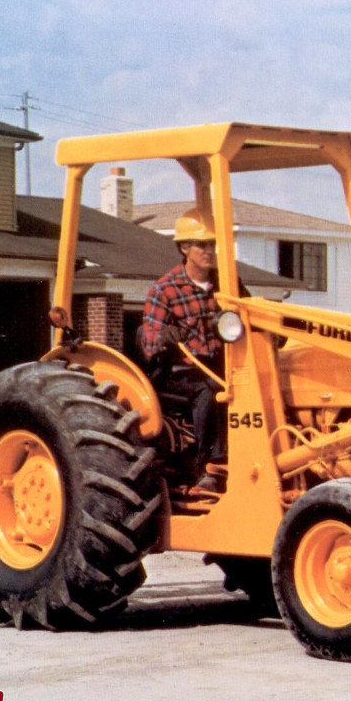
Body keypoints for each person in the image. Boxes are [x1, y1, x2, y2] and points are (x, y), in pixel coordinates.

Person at [141, 208, 228, 490]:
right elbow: (149, 343)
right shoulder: (164, 289)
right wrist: (165, 337)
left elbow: (249, 316)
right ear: (184, 247)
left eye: (213, 244)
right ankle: (209, 468)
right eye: (202, 244)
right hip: (177, 372)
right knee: (210, 391)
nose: (209, 251)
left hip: (217, 365)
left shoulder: (227, 283)